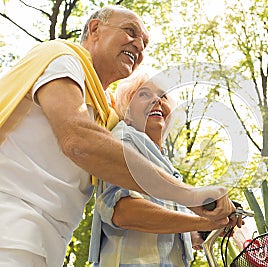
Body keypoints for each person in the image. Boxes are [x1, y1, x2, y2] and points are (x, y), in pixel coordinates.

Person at [0, 5, 236, 267]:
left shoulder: (105, 118)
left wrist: (196, 223)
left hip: (42, 243)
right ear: (95, 30)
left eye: (144, 43)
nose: (139, 46)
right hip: (10, 224)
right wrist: (190, 195)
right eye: (130, 31)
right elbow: (78, 140)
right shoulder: (61, 56)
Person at [89, 72, 239, 266]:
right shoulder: (125, 140)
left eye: (163, 96)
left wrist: (209, 227)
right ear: (126, 110)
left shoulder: (164, 165)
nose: (156, 100)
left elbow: (165, 231)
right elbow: (123, 212)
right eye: (143, 95)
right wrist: (204, 222)